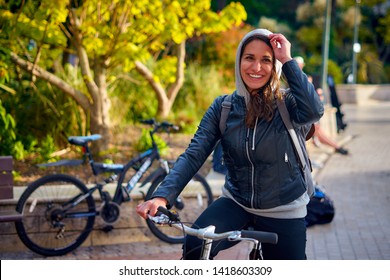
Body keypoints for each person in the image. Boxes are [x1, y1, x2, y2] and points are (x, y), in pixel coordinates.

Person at [136, 29, 324, 260]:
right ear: (239, 61)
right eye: (249, 58)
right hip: (237, 202)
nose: (256, 67)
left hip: (284, 208)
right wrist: (162, 197)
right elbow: (195, 153)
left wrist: (287, 60)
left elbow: (314, 111)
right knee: (195, 244)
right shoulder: (223, 107)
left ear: (274, 65)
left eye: (266, 60)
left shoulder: (288, 103)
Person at [293, 56, 348, 155]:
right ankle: (337, 147)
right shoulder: (297, 78)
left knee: (316, 130)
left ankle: (336, 147)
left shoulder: (304, 77)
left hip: (308, 110)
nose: (299, 66)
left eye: (299, 64)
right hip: (303, 112)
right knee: (316, 131)